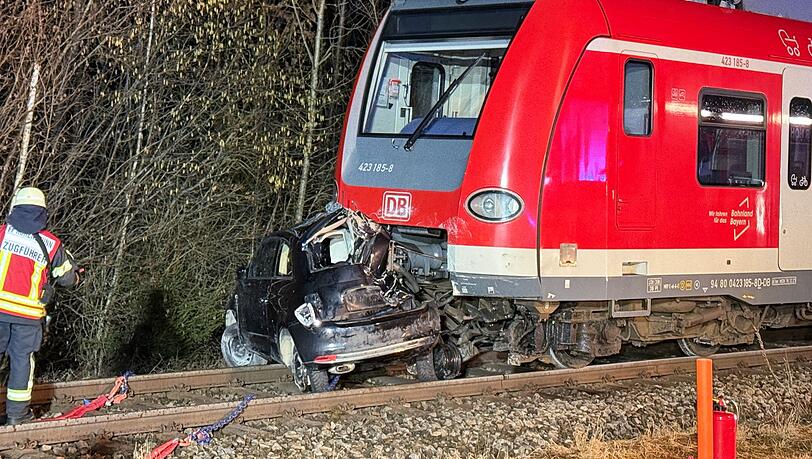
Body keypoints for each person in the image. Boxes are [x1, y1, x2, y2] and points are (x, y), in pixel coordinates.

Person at [0, 187, 79, 425]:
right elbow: (68, 279)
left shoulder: (2, 233)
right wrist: (75, 271)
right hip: (28, 317)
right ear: (43, 212)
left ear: (16, 208)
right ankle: (17, 416)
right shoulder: (51, 244)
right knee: (22, 362)